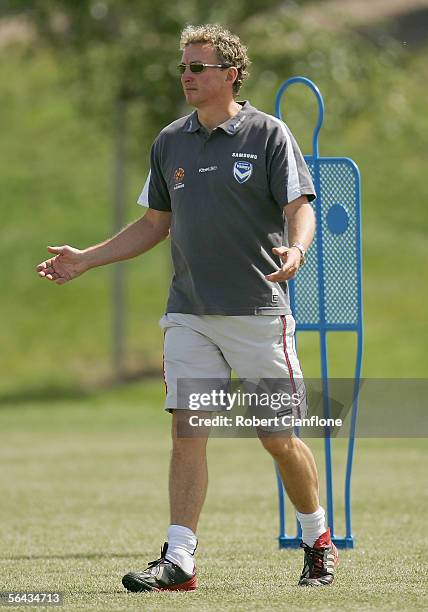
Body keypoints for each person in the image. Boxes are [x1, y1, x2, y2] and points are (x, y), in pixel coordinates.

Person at [36, 24, 339, 592]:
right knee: (188, 432)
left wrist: (296, 250)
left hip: (257, 312)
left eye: (198, 67)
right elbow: (154, 224)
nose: (186, 76)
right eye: (183, 67)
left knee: (276, 438)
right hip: (189, 314)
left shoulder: (269, 135)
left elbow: (301, 206)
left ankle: (317, 538)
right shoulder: (169, 141)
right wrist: (87, 259)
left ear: (230, 75)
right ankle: (179, 561)